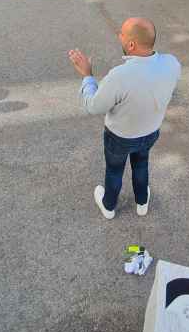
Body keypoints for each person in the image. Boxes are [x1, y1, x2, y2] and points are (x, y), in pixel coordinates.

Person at [68, 18, 181, 219]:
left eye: (121, 33)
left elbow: (93, 106)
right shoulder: (172, 63)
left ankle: (109, 206)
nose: (118, 35)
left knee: (114, 170)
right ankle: (142, 203)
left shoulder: (120, 75)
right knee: (141, 164)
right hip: (151, 132)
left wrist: (87, 75)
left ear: (131, 44)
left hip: (119, 137)